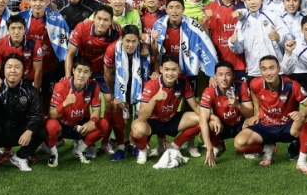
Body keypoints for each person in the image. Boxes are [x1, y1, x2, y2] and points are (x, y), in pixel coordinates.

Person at [233, 55, 307, 172]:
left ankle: (302, 162)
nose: (268, 73)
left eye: (272, 68)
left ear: (279, 69)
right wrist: (257, 112)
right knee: (239, 143)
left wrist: (302, 113)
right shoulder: (255, 83)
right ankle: (267, 148)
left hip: (288, 126)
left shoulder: (292, 85)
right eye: (264, 69)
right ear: (260, 71)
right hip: (265, 126)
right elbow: (254, 92)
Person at [0, 54, 47, 179]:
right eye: (9, 67)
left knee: (40, 131)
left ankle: (20, 157)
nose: (13, 70)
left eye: (17, 67)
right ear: (3, 69)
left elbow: (36, 114)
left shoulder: (29, 90)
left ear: (23, 70)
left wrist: (29, 131)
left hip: (17, 132)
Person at [130, 54, 201, 165]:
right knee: (137, 128)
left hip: (170, 120)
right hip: (152, 122)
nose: (170, 73)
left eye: (174, 69)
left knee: (202, 119)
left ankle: (173, 146)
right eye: (167, 69)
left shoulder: (183, 82)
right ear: (161, 69)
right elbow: (141, 117)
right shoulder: (152, 84)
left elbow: (196, 106)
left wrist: (212, 118)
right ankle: (143, 151)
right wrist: (154, 98)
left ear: (179, 70)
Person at [45, 57, 109, 166]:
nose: (81, 75)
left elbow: (96, 110)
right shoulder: (61, 86)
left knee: (104, 124)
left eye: (86, 72)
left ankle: (79, 150)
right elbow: (52, 114)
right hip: (62, 127)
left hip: (80, 126)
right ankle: (53, 154)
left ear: (90, 74)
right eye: (79, 71)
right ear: (73, 71)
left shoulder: (93, 85)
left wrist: (92, 122)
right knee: (50, 125)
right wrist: (64, 104)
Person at [103, 25, 150, 160]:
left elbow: (154, 60)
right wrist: (115, 95)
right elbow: (107, 74)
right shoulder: (112, 49)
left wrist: (146, 45)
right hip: (119, 83)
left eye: (134, 41)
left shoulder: (144, 48)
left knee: (140, 114)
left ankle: (136, 145)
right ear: (121, 39)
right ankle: (121, 146)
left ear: (138, 40)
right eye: (127, 41)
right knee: (121, 112)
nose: (130, 45)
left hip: (139, 83)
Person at [198, 61, 254, 166]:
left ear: (233, 75)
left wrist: (238, 104)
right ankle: (217, 146)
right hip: (222, 126)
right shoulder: (209, 91)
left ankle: (249, 148)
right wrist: (209, 147)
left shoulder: (241, 86)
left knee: (252, 121)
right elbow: (202, 120)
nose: (224, 78)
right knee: (210, 124)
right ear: (215, 77)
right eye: (220, 74)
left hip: (240, 124)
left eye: (228, 74)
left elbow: (250, 114)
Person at [229, 0, 292, 80]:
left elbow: (289, 40)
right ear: (245, 1)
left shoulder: (272, 16)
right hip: (254, 71)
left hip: (275, 70)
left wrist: (279, 37)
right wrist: (233, 43)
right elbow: (239, 50)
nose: (252, 2)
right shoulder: (242, 22)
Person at [65, 6, 121, 92]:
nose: (101, 23)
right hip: (83, 70)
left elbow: (132, 37)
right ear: (94, 18)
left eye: (106, 20)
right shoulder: (82, 28)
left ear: (111, 21)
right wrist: (68, 78)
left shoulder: (116, 32)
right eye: (99, 18)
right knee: (77, 97)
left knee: (109, 98)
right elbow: (70, 54)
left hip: (103, 71)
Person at [0, 15, 43, 90]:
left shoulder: (34, 43)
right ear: (8, 29)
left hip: (27, 80)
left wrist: (35, 92)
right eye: (13, 28)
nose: (16, 32)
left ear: (24, 29)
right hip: (8, 80)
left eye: (20, 28)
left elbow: (38, 70)